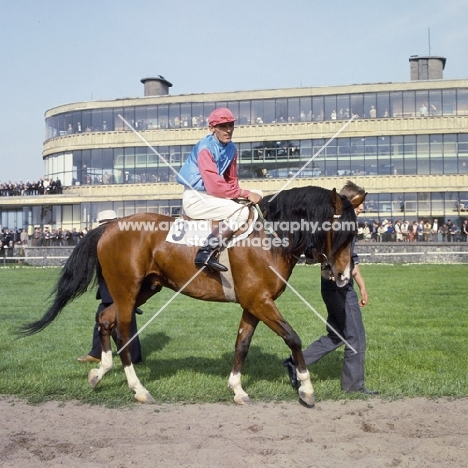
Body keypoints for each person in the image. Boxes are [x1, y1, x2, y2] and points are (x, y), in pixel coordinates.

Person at [283, 181, 379, 395]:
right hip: (339, 288)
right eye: (360, 203)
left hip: (331, 285)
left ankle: (294, 362)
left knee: (338, 334)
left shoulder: (342, 223)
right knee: (355, 336)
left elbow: (350, 260)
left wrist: (362, 285)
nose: (363, 207)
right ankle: (353, 386)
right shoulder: (340, 225)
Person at [176, 107, 262, 272]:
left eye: (231, 125)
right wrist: (245, 194)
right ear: (212, 128)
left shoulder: (232, 148)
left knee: (258, 195)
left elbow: (231, 180)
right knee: (241, 213)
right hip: (197, 198)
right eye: (223, 126)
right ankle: (205, 253)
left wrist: (243, 195)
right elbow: (215, 186)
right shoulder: (205, 149)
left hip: (213, 196)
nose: (228, 130)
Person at [77, 210, 143, 364]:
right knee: (104, 319)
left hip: (119, 288)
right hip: (108, 288)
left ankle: (133, 358)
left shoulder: (123, 240)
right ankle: (98, 353)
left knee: (126, 322)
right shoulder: (105, 239)